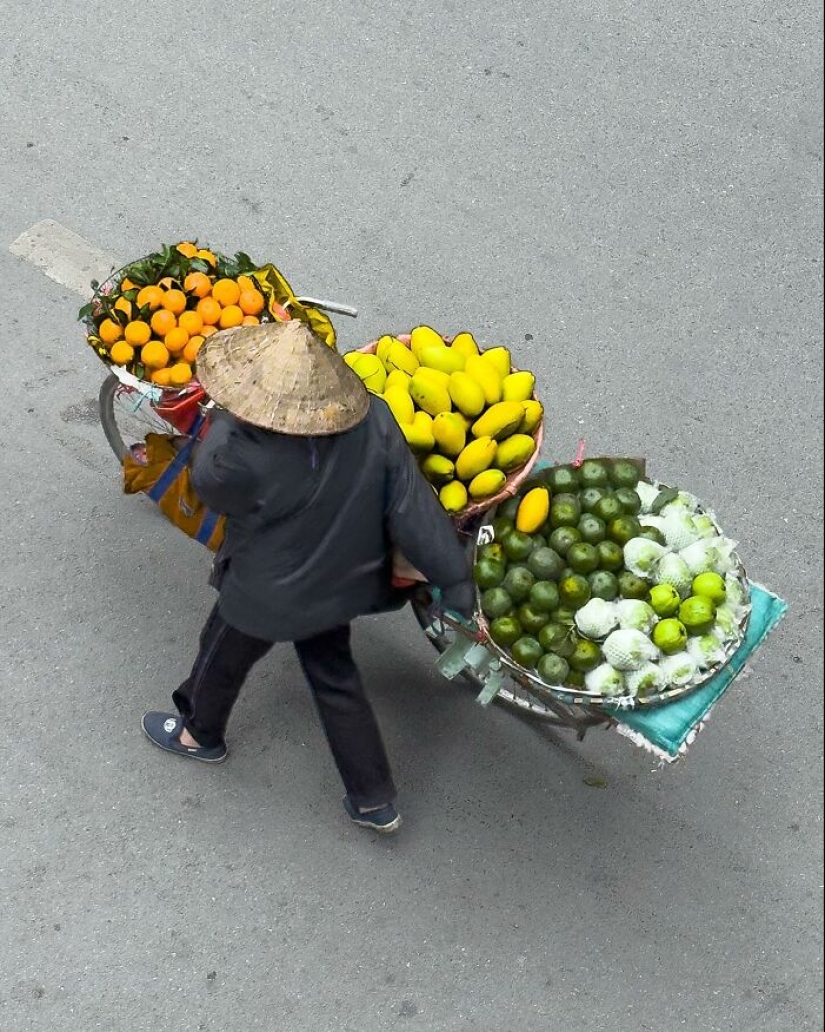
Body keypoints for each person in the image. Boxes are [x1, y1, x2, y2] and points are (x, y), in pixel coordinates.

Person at [141, 320, 474, 834]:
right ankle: (373, 800)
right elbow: (414, 510)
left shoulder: (234, 452)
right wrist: (455, 580)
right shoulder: (375, 418)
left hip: (268, 585)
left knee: (221, 647)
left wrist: (229, 424)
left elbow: (211, 488)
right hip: (343, 577)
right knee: (334, 676)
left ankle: (197, 732)